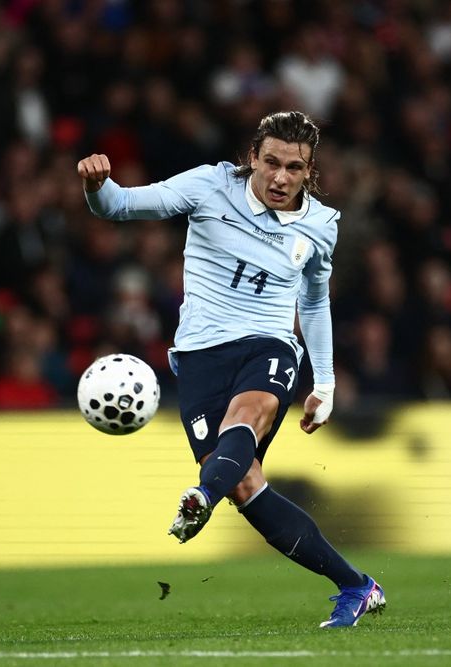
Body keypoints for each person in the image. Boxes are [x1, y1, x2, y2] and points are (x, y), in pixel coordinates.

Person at [77, 111, 385, 629]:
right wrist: (95, 185)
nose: (281, 178)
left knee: (246, 417)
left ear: (310, 172)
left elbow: (313, 303)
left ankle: (201, 496)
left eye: (295, 168)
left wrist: (324, 383)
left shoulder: (321, 226)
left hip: (269, 345)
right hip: (199, 357)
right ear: (252, 159)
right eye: (272, 163)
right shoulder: (208, 187)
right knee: (245, 485)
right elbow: (120, 205)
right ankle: (356, 586)